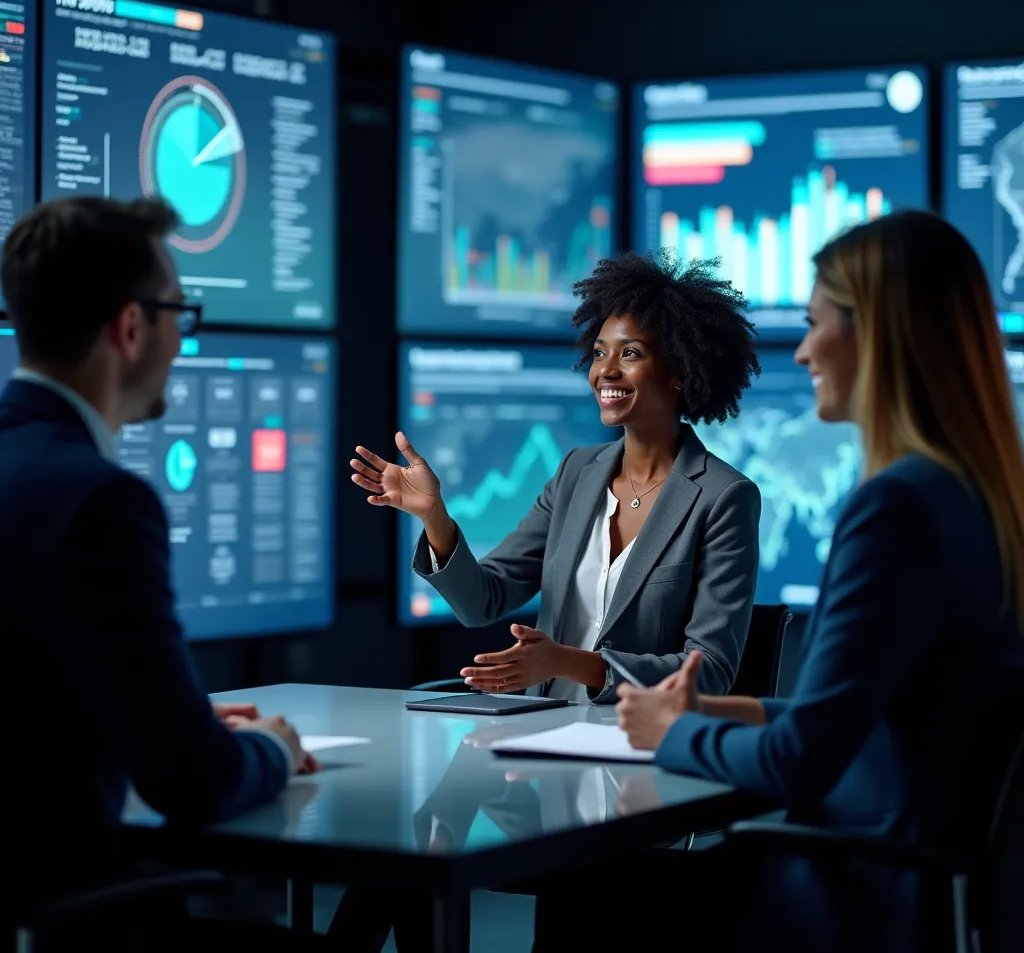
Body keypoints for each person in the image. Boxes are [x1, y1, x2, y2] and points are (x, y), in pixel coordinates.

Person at [615, 210, 1024, 953]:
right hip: (944, 891)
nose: (802, 352)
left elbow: (803, 762)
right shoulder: (984, 500)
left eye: (813, 323)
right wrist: (724, 710)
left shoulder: (896, 510)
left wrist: (674, 732)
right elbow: (876, 715)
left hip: (862, 894)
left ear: (875, 333)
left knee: (605, 891)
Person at [0, 197, 317, 948]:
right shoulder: (102, 503)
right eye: (180, 311)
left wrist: (168, 717)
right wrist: (270, 744)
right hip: (74, 911)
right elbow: (193, 784)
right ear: (132, 327)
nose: (182, 337)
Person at [351, 251, 762, 702]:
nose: (604, 370)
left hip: (639, 738)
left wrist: (566, 661)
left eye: (630, 354)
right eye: (600, 353)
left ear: (680, 372)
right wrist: (435, 517)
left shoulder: (724, 497)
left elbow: (710, 672)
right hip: (545, 727)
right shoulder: (575, 474)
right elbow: (482, 601)